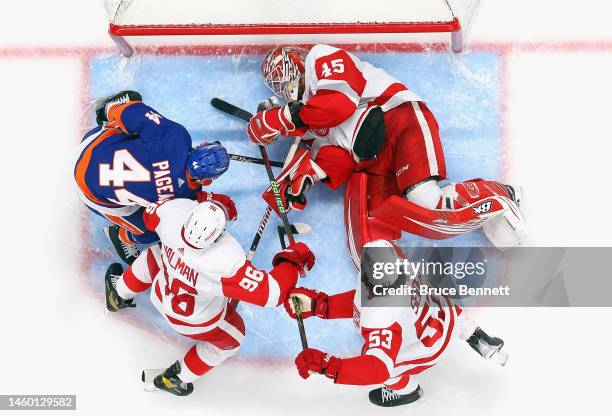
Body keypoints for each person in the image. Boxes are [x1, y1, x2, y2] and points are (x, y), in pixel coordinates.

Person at [246, 45, 526, 269]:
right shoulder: (308, 124)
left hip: (399, 122)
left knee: (429, 203)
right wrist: (304, 179)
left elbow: (338, 105)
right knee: (369, 250)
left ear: (295, 62)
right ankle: (405, 304)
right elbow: (339, 160)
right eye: (276, 83)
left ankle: (498, 195)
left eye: (283, 75)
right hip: (373, 163)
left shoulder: (322, 57)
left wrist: (282, 118)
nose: (283, 85)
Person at [104, 193, 315, 396]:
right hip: (195, 322)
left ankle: (118, 294)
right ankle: (178, 378)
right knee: (233, 336)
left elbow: (151, 217)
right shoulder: (225, 262)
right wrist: (291, 262)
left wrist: (204, 202)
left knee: (156, 254)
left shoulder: (172, 215)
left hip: (161, 293)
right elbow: (273, 294)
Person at [284, 240, 507, 408]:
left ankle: (408, 391)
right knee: (447, 310)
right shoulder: (401, 267)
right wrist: (321, 306)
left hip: (428, 345)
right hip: (444, 316)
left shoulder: (381, 318)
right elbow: (361, 299)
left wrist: (328, 366)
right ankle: (475, 336)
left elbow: (377, 369)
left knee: (386, 366)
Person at [74, 90, 230, 264]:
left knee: (135, 109)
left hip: (87, 151)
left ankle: (104, 109)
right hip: (90, 194)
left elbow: (134, 114)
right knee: (153, 231)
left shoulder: (176, 137)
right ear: (207, 181)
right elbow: (154, 220)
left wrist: (112, 110)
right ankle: (121, 237)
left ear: (202, 145)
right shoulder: (184, 198)